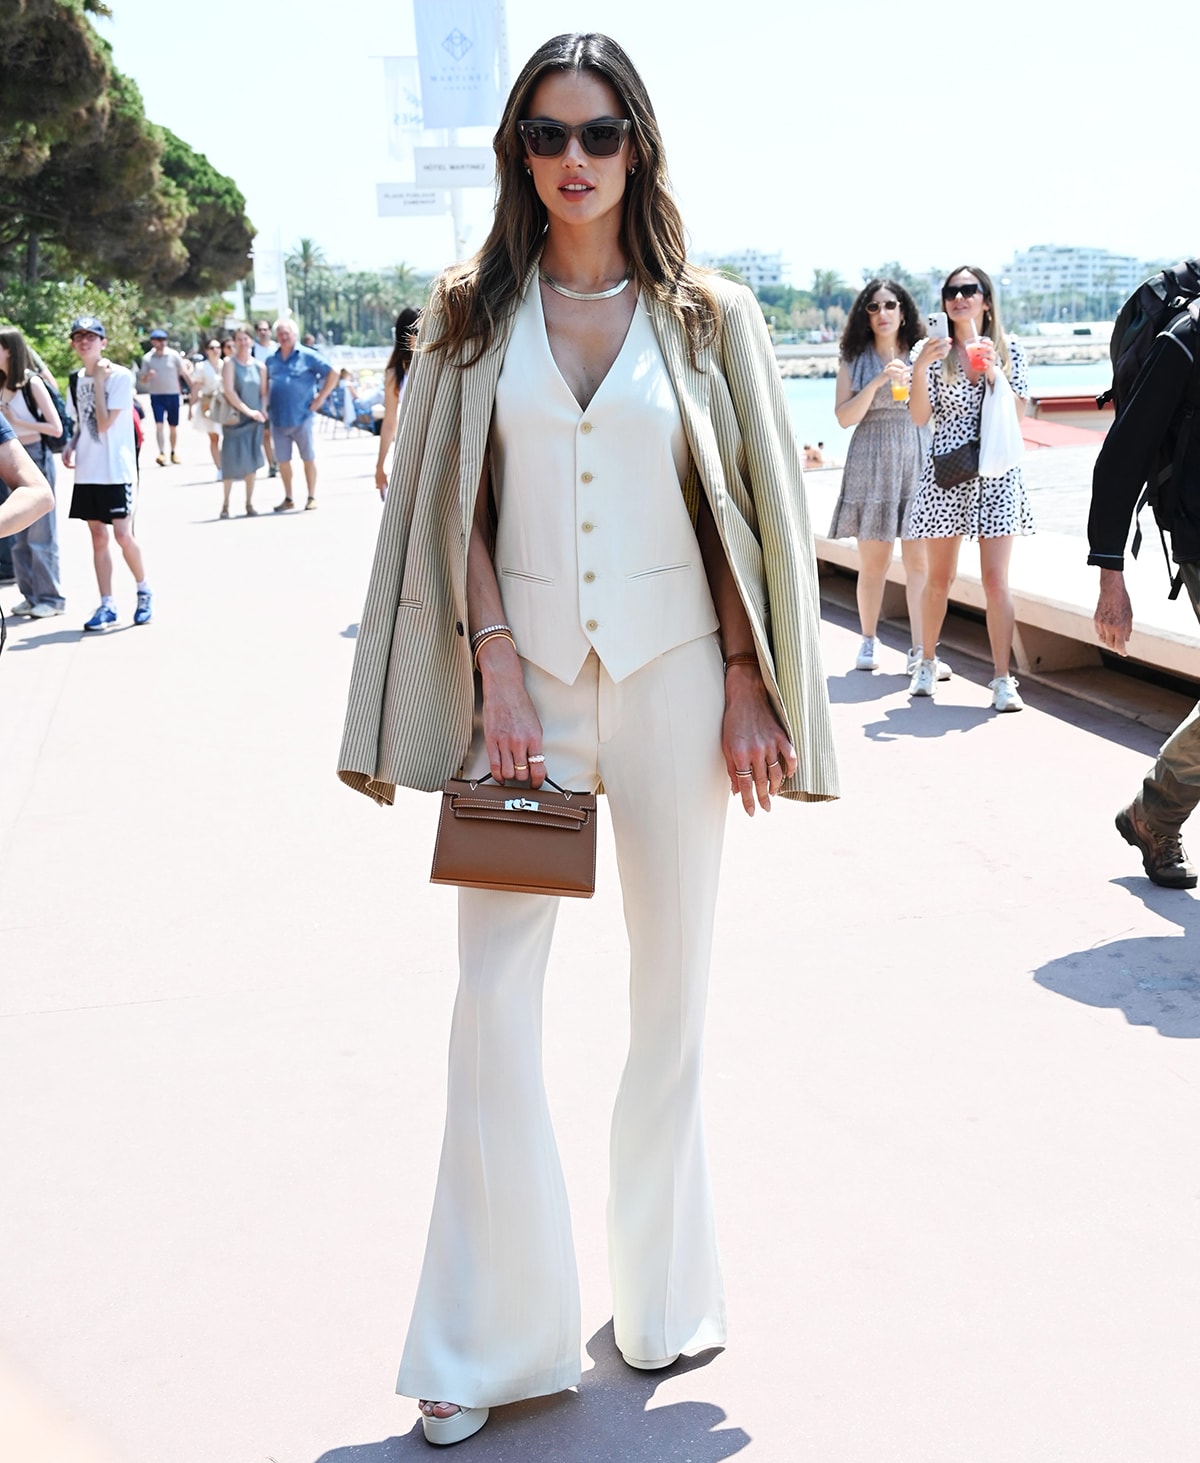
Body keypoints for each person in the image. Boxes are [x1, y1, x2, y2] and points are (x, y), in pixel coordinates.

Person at [337, 31, 838, 1448]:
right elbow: (451, 508)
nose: (574, 160)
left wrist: (752, 678)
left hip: (685, 682)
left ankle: (666, 1292)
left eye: (600, 133)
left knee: (671, 1001)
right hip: (526, 703)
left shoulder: (709, 314)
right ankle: (484, 1337)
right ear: (517, 152)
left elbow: (745, 509)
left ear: (639, 146)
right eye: (548, 135)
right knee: (492, 1005)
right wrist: (493, 660)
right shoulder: (468, 312)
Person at [1090, 295, 1200, 889]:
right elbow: (1123, 454)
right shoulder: (1189, 334)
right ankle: (1157, 811)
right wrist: (1111, 573)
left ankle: (1152, 812)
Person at [906, 265, 1032, 710]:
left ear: (986, 299)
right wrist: (921, 366)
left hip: (996, 475)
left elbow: (1018, 416)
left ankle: (1002, 679)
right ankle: (926, 662)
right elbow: (920, 416)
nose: (959, 298)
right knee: (939, 578)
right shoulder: (929, 350)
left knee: (996, 580)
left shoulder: (1009, 348)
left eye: (968, 290)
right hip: (948, 475)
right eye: (950, 292)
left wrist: (994, 372)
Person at [829, 280, 933, 675]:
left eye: (891, 305)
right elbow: (843, 418)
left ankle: (922, 650)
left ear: (903, 311)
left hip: (918, 458)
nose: (883, 312)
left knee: (918, 562)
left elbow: (937, 406)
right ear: (865, 315)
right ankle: (868, 640)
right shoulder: (853, 358)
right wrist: (875, 382)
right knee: (873, 562)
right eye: (873, 307)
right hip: (871, 461)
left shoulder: (922, 354)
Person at [62, 316, 153, 629]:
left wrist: (98, 381)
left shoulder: (119, 377)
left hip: (116, 470)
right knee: (98, 537)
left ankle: (143, 590)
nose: (84, 341)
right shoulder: (74, 379)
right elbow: (81, 423)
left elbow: (103, 423)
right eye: (79, 337)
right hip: (88, 471)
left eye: (91, 336)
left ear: (104, 342)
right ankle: (107, 603)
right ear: (73, 344)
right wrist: (72, 444)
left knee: (123, 535)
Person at [0, 326, 66, 617]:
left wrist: (16, 422)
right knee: (18, 539)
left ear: (10, 350)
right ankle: (30, 595)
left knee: (41, 536)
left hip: (35, 457)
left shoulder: (31, 384)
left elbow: (56, 428)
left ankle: (51, 599)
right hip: (9, 462)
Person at [265, 319, 337, 512]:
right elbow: (264, 386)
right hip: (278, 418)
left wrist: (320, 399)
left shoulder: (308, 355)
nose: (283, 336)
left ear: (295, 334)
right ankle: (288, 497)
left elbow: (333, 373)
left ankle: (311, 496)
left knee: (308, 457)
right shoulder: (271, 360)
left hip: (302, 416)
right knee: (283, 461)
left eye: (287, 332)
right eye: (280, 333)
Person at [217, 327, 268, 518]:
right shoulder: (229, 364)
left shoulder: (260, 367)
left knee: (252, 462)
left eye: (246, 339)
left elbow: (264, 393)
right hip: (235, 420)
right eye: (239, 339)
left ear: (251, 341)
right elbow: (230, 392)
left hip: (255, 421)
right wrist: (249, 411)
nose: (243, 343)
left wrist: (261, 410)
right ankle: (226, 504)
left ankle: (249, 503)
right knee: (230, 461)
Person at [373, 306, 420, 498]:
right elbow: (389, 421)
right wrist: (380, 465)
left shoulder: (436, 363)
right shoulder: (395, 374)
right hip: (408, 447)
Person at [137, 329, 192, 467]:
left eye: (164, 339)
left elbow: (183, 373)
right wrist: (147, 376)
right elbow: (142, 380)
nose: (162, 343)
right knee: (159, 425)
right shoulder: (148, 358)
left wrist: (193, 388)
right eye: (158, 340)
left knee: (173, 426)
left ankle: (173, 452)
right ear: (153, 342)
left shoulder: (174, 355)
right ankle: (161, 452)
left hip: (173, 394)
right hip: (157, 395)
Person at [189, 340, 224, 476]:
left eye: (218, 347)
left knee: (227, 435)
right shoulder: (201, 367)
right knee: (214, 437)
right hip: (208, 403)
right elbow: (196, 388)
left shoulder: (225, 364)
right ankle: (219, 468)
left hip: (224, 403)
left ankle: (228, 464)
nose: (215, 350)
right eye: (212, 348)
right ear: (207, 350)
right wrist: (190, 409)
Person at [250, 321, 278, 477]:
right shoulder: (252, 351)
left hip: (278, 395)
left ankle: (280, 459)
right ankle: (272, 464)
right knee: (265, 433)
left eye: (265, 329)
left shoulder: (277, 349)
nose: (263, 332)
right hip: (260, 397)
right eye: (260, 330)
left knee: (279, 433)